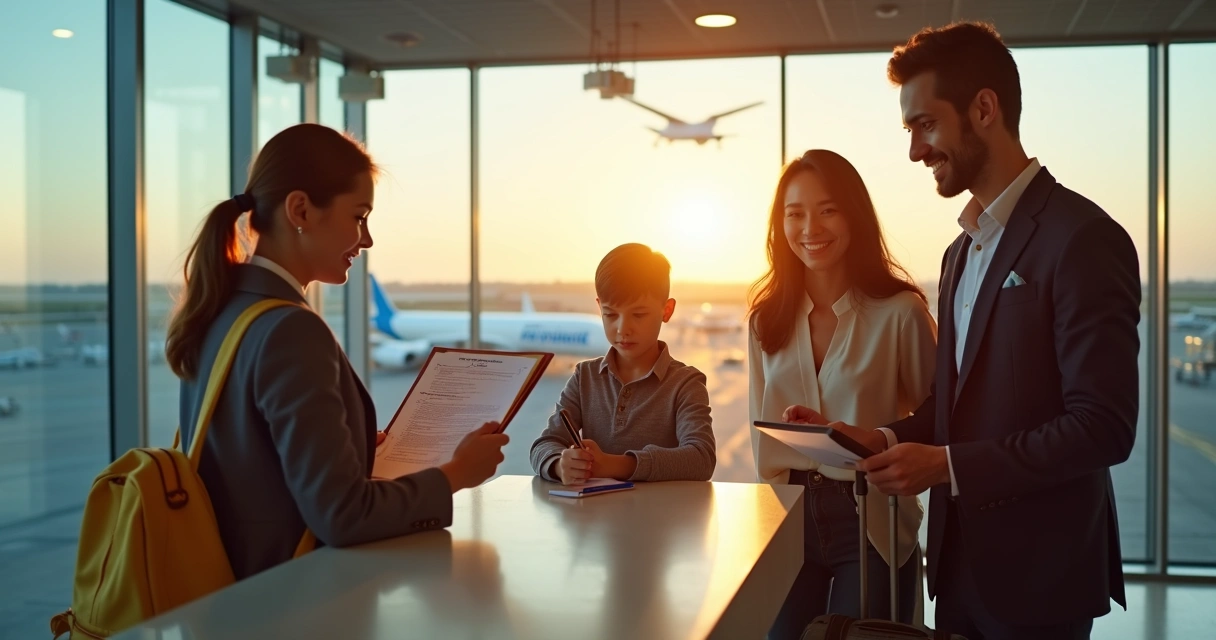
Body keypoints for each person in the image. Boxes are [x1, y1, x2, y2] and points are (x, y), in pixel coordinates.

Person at [788, 22, 1139, 640]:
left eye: (924, 125)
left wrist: (947, 466)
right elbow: (954, 409)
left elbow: (1103, 428)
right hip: (957, 570)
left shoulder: (1081, 238)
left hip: (1041, 577)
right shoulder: (959, 254)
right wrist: (874, 437)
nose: (915, 151)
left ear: (983, 109)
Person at [167, 123, 508, 580]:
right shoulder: (290, 329)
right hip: (287, 602)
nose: (366, 240)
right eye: (359, 216)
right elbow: (342, 516)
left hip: (230, 595)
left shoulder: (222, 309)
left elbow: (250, 464)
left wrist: (348, 448)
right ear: (301, 210)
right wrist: (455, 475)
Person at [748, 150, 936, 637]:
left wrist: (874, 437)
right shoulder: (765, 319)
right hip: (787, 518)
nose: (810, 227)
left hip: (870, 517)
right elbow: (759, 430)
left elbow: (936, 416)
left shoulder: (900, 312)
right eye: (795, 214)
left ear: (855, 214)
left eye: (827, 209)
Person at [529, 243, 716, 485]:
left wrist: (615, 465)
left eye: (638, 315)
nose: (622, 329)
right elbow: (544, 444)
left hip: (662, 519)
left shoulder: (686, 383)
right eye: (610, 314)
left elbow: (701, 459)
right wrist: (559, 465)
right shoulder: (584, 376)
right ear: (599, 308)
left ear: (666, 310)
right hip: (595, 519)